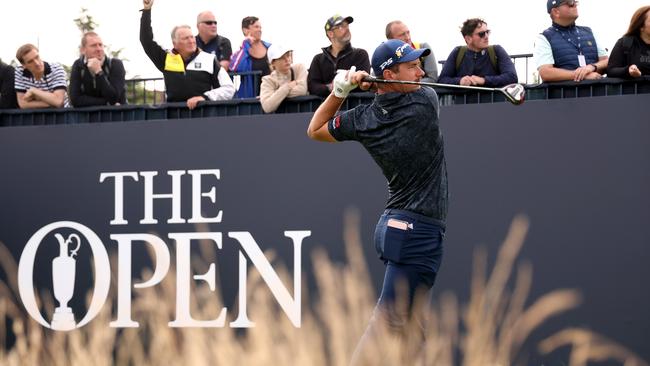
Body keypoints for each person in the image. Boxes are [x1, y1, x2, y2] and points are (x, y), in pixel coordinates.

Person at [307, 39, 447, 365]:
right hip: (416, 232)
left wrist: (340, 91)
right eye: (411, 66)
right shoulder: (424, 103)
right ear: (389, 74)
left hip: (395, 227)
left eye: (418, 64)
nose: (419, 72)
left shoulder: (364, 118)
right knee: (391, 321)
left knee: (412, 325)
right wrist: (373, 86)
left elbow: (315, 129)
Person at [139, 0, 235, 109]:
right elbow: (146, 41)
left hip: (204, 116)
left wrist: (204, 97)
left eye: (192, 37)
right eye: (185, 38)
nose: (191, 41)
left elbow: (229, 89)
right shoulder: (166, 59)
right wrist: (147, 11)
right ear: (175, 43)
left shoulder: (209, 59)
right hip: (174, 118)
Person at [534, 0, 608, 83]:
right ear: (556, 12)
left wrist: (592, 67)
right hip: (566, 94)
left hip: (596, 93)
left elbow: (606, 61)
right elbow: (546, 73)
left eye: (575, 2)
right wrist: (582, 75)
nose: (575, 5)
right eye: (570, 3)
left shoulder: (589, 32)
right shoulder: (544, 37)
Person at [438, 18, 518, 87]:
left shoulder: (497, 50)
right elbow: (442, 80)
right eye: (481, 34)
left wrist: (483, 80)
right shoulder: (457, 52)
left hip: (494, 103)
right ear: (468, 39)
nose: (486, 36)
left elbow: (512, 77)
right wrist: (460, 81)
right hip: (463, 104)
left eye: (487, 32)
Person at [307, 14, 371, 98]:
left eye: (347, 25)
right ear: (330, 34)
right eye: (341, 26)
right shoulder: (318, 59)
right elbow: (312, 86)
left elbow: (364, 83)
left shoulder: (360, 54)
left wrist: (343, 85)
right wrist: (330, 87)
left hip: (354, 107)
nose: (347, 28)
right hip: (326, 109)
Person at [69, 32, 126, 107]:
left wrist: (99, 71)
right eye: (93, 46)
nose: (99, 49)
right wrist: (106, 103)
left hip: (115, 116)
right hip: (87, 116)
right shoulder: (78, 65)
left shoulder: (115, 64)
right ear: (83, 50)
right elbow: (75, 100)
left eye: (100, 45)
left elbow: (114, 97)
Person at [14, 44, 68, 109]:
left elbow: (58, 101)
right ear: (24, 65)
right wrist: (51, 101)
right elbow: (23, 104)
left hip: (61, 116)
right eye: (30, 61)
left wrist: (33, 91)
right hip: (35, 117)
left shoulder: (56, 68)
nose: (37, 63)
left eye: (37, 57)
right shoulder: (19, 71)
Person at [230, 16, 271, 98]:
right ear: (245, 30)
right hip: (250, 100)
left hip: (269, 97)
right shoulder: (241, 52)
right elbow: (234, 67)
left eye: (260, 27)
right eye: (256, 27)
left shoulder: (270, 48)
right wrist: (245, 45)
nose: (260, 30)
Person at [260, 44, 308, 113]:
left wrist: (275, 94)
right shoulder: (267, 80)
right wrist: (287, 87)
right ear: (273, 62)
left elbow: (302, 90)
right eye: (282, 57)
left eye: (288, 55)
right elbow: (267, 107)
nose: (287, 59)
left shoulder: (299, 68)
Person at [607, 5, 650, 79]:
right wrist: (628, 71)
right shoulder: (625, 43)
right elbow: (611, 70)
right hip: (634, 90)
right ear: (641, 26)